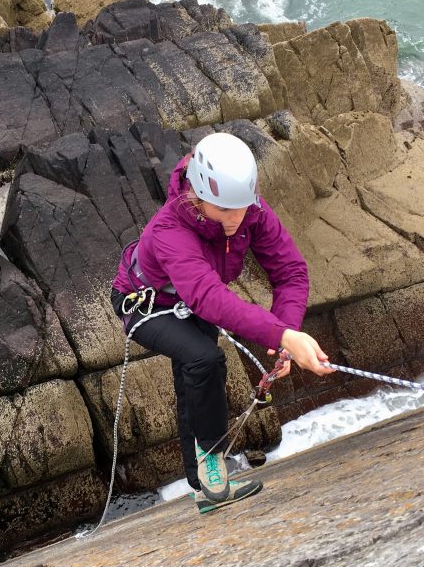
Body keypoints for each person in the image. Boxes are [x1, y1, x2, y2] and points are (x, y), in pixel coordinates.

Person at [112, 131, 333, 514]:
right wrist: (281, 334)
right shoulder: (170, 231)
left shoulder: (251, 211)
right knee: (204, 359)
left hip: (192, 302)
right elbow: (208, 298)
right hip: (145, 305)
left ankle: (204, 488)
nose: (236, 218)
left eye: (242, 207)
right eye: (225, 209)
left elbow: (291, 272)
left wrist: (286, 332)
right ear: (197, 197)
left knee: (194, 373)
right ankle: (213, 457)